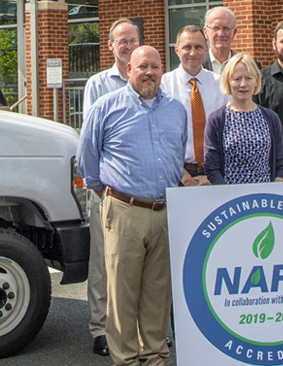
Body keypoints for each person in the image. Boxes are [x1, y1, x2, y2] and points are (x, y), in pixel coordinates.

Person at [76, 46, 186, 366]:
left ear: (162, 69)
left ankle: (153, 356)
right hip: (124, 210)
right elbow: (87, 161)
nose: (149, 72)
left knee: (157, 293)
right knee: (122, 293)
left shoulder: (176, 110)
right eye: (142, 67)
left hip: (164, 210)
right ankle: (125, 359)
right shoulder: (106, 107)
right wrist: (107, 195)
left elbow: (178, 153)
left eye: (154, 66)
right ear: (128, 70)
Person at [79, 17, 139, 357]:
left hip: (143, 189)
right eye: (122, 41)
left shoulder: (149, 79)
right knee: (103, 261)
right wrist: (96, 183)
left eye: (133, 40)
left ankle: (137, 327)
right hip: (107, 189)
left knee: (140, 261)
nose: (128, 45)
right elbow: (91, 138)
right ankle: (100, 329)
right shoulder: (98, 84)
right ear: (111, 46)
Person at [205, 53, 283, 184]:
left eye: (248, 78)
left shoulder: (271, 118)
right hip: (230, 198)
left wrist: (278, 181)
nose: (243, 84)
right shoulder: (217, 120)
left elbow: (280, 162)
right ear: (228, 81)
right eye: (237, 79)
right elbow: (212, 166)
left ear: (256, 81)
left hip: (265, 196)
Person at [161, 25, 228, 186]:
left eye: (198, 47)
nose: (193, 53)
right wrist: (182, 174)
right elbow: (159, 136)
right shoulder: (163, 87)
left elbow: (229, 132)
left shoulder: (221, 85)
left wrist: (213, 174)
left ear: (206, 49)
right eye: (187, 47)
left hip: (217, 174)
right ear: (176, 50)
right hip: (176, 175)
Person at [202, 7, 259, 74]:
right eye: (216, 28)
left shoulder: (250, 66)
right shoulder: (196, 66)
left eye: (226, 28)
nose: (221, 34)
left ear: (234, 32)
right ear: (206, 32)